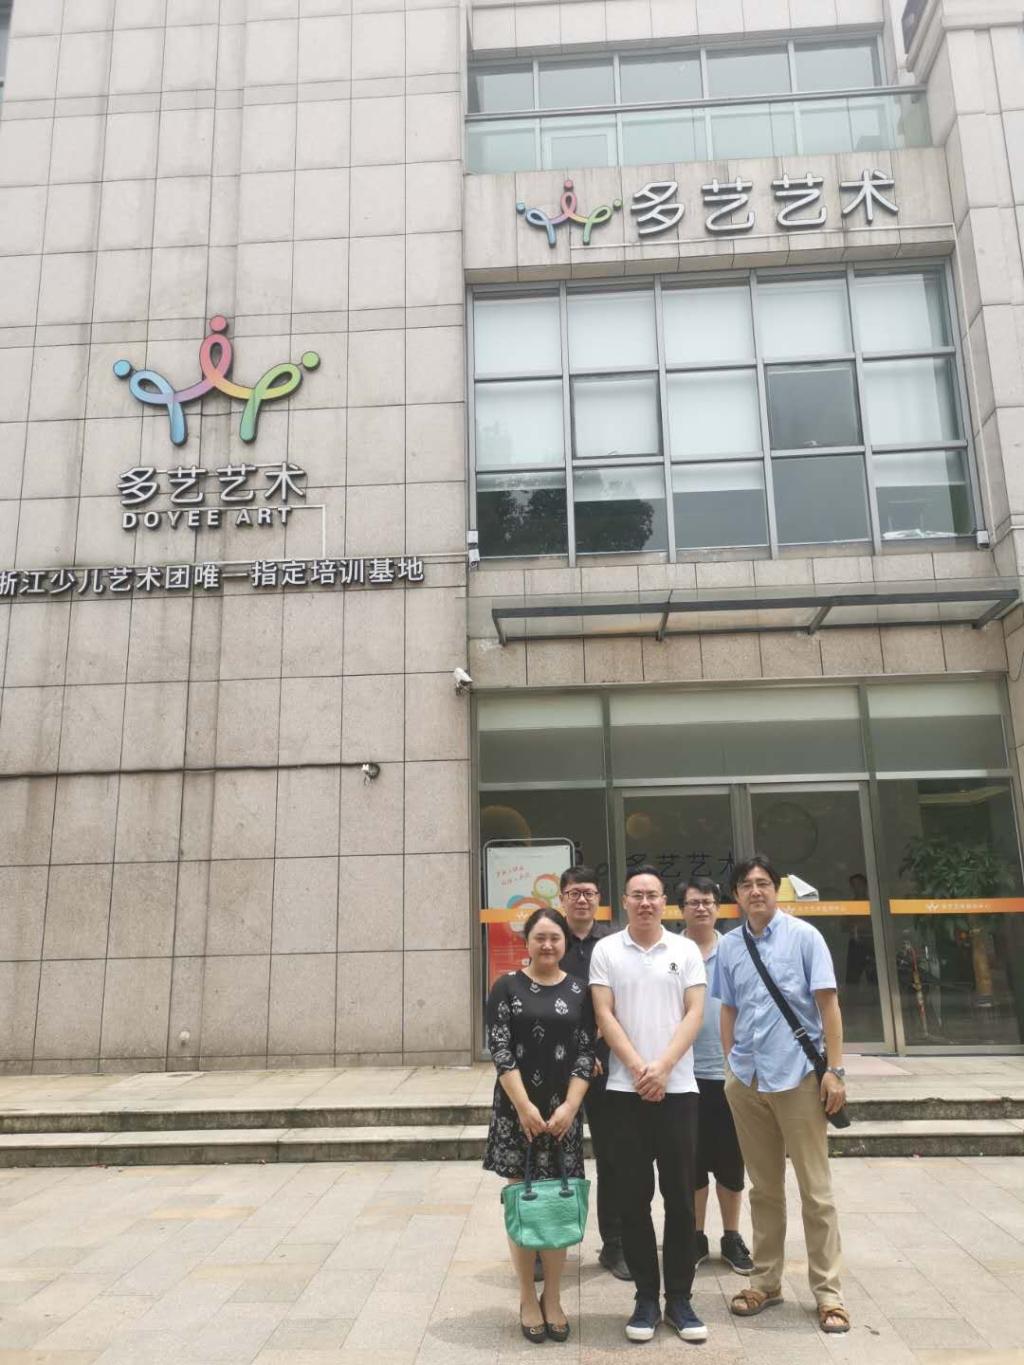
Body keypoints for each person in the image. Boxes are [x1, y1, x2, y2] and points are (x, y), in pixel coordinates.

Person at [713, 854, 850, 1335]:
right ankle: (765, 1282)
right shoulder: (730, 946)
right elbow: (728, 1009)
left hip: (799, 1078)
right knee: (764, 1188)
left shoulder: (805, 937)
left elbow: (828, 1006)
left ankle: (828, 1294)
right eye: (746, 885)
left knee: (816, 1191)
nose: (756, 891)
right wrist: (731, 1066)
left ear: (777, 889)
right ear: (736, 895)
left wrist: (835, 1071)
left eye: (764, 883)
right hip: (747, 1079)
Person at [590, 866, 708, 1344]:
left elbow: (695, 1012)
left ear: (665, 903)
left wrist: (663, 1067)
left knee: (680, 1199)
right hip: (625, 1092)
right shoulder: (606, 950)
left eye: (653, 895)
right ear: (624, 901)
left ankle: (679, 1298)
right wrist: (641, 1068)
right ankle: (644, 1298)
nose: (645, 902)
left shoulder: (685, 950)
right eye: (637, 895)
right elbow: (604, 1013)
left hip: (678, 1091)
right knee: (633, 1200)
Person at [484, 905, 594, 1344]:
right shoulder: (506, 987)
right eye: (539, 937)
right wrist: (524, 1107)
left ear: (565, 942)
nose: (547, 945)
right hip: (518, 1113)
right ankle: (528, 1297)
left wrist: (570, 1106)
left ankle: (554, 1297)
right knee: (523, 1201)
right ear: (526, 942)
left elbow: (586, 1052)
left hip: (563, 1113)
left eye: (555, 938)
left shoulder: (581, 990)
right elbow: (500, 1049)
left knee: (559, 1201)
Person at [558, 865, 630, 1281]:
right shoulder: (551, 941)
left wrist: (596, 1049)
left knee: (613, 1158)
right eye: (574, 893)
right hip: (558, 1068)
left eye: (588, 892)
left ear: (599, 899)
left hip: (608, 1067)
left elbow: (621, 1004)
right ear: (562, 899)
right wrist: (578, 1054)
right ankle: (547, 1244)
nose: (582, 899)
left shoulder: (614, 945)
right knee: (554, 1158)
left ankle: (614, 1244)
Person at [678, 876, 753, 1276]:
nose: (702, 908)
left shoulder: (735, 948)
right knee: (691, 1161)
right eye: (694, 902)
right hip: (683, 1076)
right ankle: (694, 1236)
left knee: (730, 1160)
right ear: (681, 909)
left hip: (728, 1072)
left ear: (719, 907)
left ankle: (731, 1235)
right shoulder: (671, 950)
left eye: (708, 901)